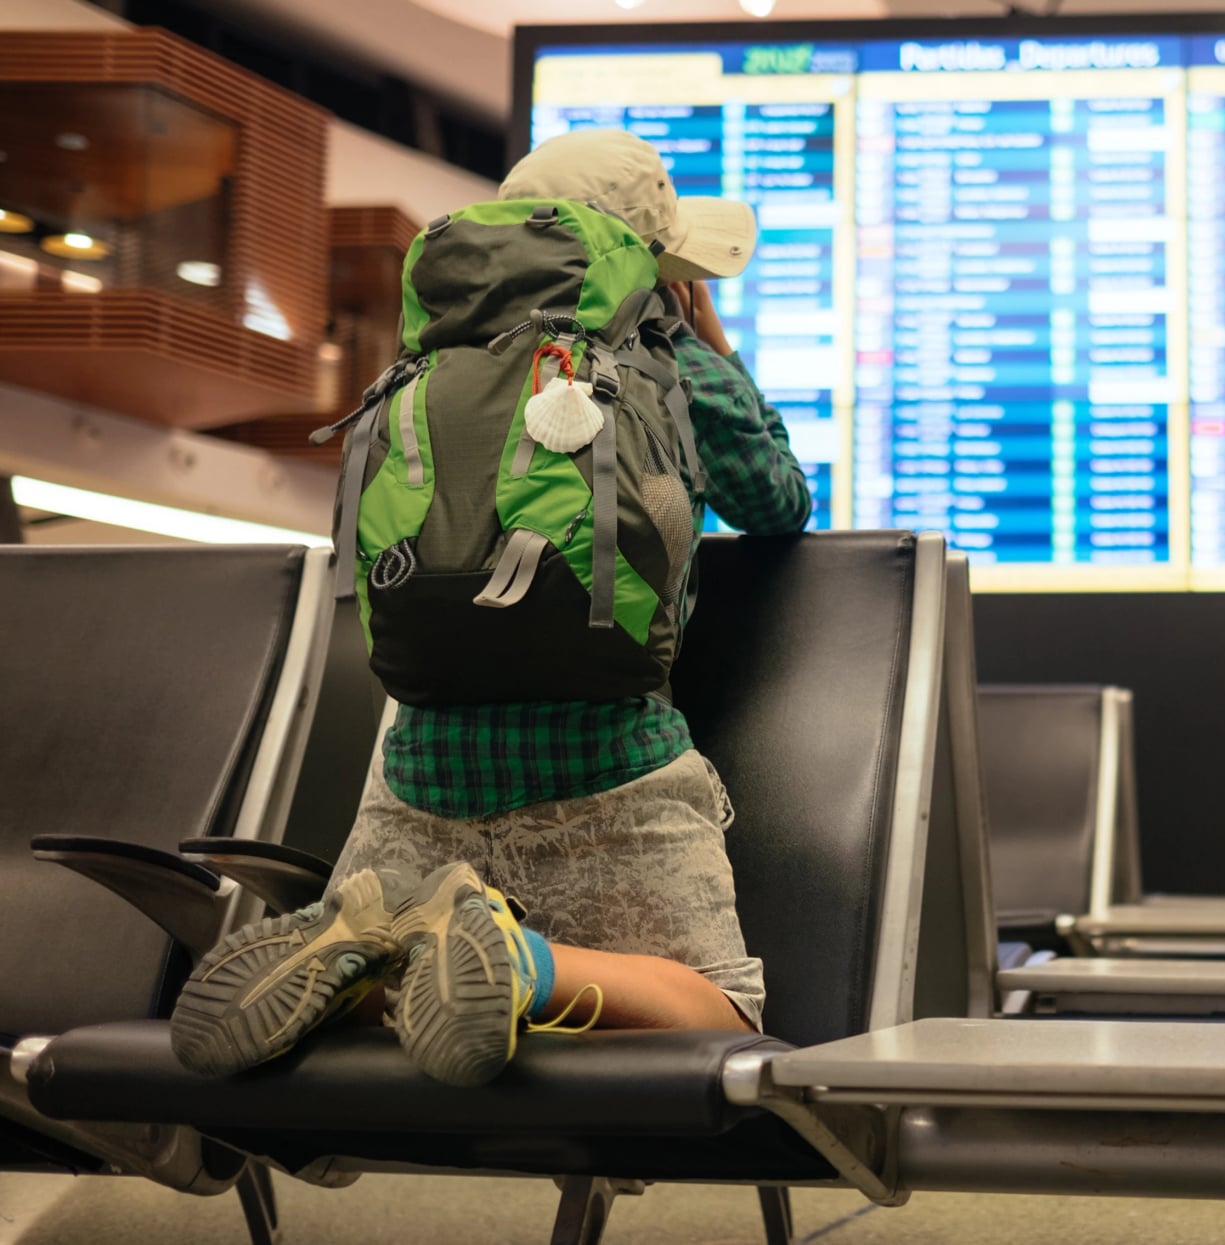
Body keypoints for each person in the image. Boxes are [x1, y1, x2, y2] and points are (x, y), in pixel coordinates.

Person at [169, 129, 813, 1087]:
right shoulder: (672, 358)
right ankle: (522, 960)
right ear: (661, 263)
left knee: (399, 974)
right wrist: (715, 352)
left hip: (416, 774)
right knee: (725, 1013)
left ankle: (376, 937)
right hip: (611, 768)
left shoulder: (432, 352)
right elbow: (778, 502)